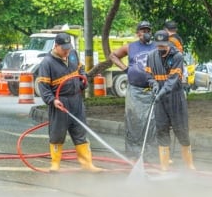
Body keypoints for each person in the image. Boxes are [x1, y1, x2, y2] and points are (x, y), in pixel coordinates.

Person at [34, 32, 100, 172]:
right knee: (57, 134)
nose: (66, 51)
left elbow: (81, 69)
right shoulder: (47, 63)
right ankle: (55, 164)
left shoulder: (72, 54)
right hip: (60, 103)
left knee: (80, 132)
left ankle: (87, 164)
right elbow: (43, 87)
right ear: (56, 46)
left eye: (68, 48)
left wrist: (83, 80)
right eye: (64, 49)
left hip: (76, 100)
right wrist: (52, 100)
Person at [145, 30, 193, 171]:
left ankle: (189, 165)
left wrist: (161, 92)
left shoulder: (177, 56)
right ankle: (164, 167)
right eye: (158, 45)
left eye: (163, 45)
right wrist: (153, 84)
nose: (160, 48)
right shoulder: (151, 56)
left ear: (168, 43)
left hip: (175, 98)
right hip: (160, 100)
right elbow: (148, 75)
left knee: (181, 130)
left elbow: (173, 80)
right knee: (161, 129)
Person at [109, 22, 158, 155]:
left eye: (148, 30)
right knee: (134, 121)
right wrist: (125, 69)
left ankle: (151, 153)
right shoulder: (130, 47)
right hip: (135, 91)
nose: (146, 33)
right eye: (143, 30)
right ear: (137, 33)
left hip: (152, 90)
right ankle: (133, 153)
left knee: (152, 122)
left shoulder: (156, 46)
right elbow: (113, 56)